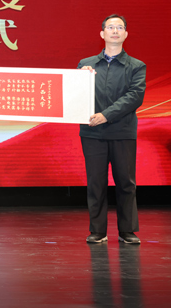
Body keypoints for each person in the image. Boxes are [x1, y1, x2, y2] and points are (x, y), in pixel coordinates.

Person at [78, 14, 146, 244]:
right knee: (95, 182)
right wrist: (81, 79)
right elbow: (76, 96)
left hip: (122, 131)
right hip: (92, 132)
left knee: (126, 182)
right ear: (102, 33)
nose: (115, 31)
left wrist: (106, 115)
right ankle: (97, 230)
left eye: (119, 27)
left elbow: (134, 96)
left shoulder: (136, 66)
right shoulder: (86, 65)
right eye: (110, 27)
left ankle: (128, 230)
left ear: (125, 34)